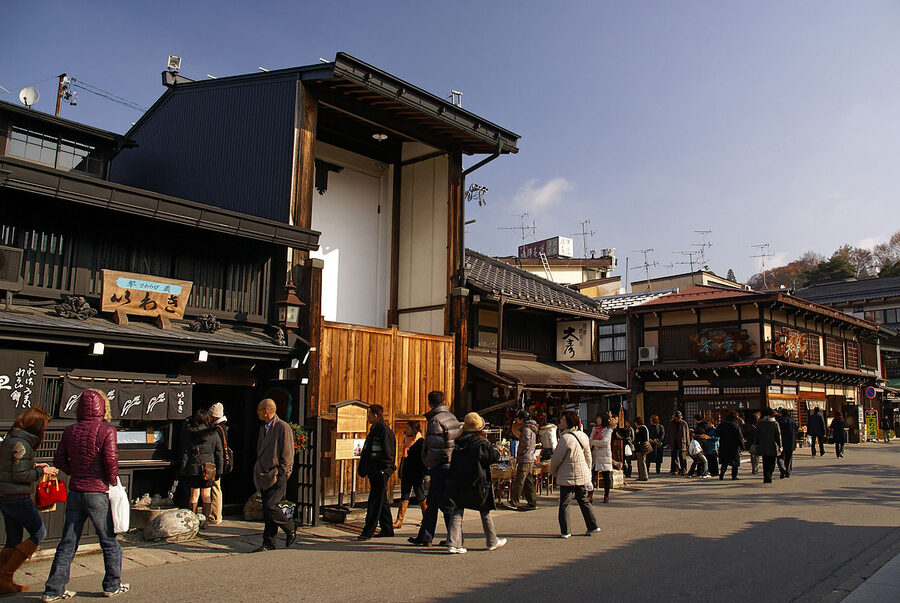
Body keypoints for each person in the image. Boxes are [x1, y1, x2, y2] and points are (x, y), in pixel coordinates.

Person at [43, 389, 129, 600]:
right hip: (98, 492)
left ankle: (54, 589)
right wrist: (110, 479)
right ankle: (112, 585)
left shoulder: (70, 430)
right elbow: (111, 462)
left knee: (67, 542)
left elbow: (59, 460)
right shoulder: (107, 430)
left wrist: (75, 472)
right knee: (109, 541)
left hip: (76, 491)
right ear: (103, 407)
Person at [0, 408, 58, 594]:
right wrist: (42, 471)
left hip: (6, 497)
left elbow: (11, 467)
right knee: (39, 532)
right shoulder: (22, 444)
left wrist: (34, 465)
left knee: (14, 539)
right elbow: (20, 474)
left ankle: (4, 580)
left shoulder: (10, 440)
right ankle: (5, 574)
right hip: (18, 498)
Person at [445, 412, 507, 553]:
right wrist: (498, 450)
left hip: (459, 480)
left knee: (457, 511)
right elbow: (494, 456)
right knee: (484, 510)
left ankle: (453, 542)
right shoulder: (481, 443)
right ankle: (491, 540)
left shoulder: (459, 442)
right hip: (478, 481)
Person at [409, 391, 461, 547]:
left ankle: (448, 537)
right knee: (440, 502)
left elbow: (435, 448)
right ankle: (431, 536)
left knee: (440, 504)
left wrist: (428, 463)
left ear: (430, 403)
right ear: (444, 401)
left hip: (441, 465)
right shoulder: (453, 418)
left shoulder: (435, 421)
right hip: (452, 464)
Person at [252, 398, 296, 552]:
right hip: (264, 474)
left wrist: (284, 472)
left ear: (266, 411)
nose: (257, 412)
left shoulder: (282, 427)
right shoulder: (263, 427)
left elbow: (288, 453)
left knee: (272, 506)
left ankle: (289, 527)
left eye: (259, 409)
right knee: (266, 509)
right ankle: (269, 541)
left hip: (276, 474)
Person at [550, 411, 600, 539]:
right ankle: (593, 525)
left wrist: (552, 471)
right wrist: (588, 472)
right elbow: (588, 456)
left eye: (562, 420)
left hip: (568, 475)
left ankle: (566, 531)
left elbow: (557, 458)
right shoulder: (583, 435)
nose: (561, 423)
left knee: (565, 503)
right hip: (581, 474)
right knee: (583, 500)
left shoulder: (565, 438)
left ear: (568, 422)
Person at [357, 404, 396, 541]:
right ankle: (387, 529)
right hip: (374, 469)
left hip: (380, 470)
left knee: (375, 501)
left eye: (369, 414)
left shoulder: (383, 430)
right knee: (382, 500)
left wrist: (384, 469)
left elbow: (389, 453)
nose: (367, 417)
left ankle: (368, 531)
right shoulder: (375, 429)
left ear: (375, 415)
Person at [179, 409, 223, 528]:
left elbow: (185, 453)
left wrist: (183, 469)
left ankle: (193, 521)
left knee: (194, 495)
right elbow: (219, 452)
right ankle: (204, 522)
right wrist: (219, 470)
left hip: (193, 467)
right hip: (208, 469)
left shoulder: (190, 433)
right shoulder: (214, 433)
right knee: (207, 495)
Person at [393, 421, 426, 529]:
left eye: (408, 428)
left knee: (420, 495)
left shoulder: (420, 441)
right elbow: (404, 456)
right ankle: (399, 520)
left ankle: (426, 518)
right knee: (404, 494)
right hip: (407, 469)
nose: (406, 430)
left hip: (416, 470)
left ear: (414, 429)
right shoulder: (406, 439)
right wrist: (400, 469)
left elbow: (422, 458)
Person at [508, 411, 538, 510]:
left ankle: (514, 501)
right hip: (529, 458)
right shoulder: (531, 428)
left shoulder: (526, 429)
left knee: (519, 481)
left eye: (518, 418)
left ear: (522, 419)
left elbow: (525, 444)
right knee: (528, 481)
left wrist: (520, 453)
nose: (516, 420)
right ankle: (532, 502)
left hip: (525, 458)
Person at [207, 402, 228, 525]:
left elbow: (218, 449)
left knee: (215, 488)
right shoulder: (222, 427)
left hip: (215, 462)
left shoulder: (218, 429)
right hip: (218, 462)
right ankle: (214, 514)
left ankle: (215, 515)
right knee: (215, 488)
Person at [589, 413, 614, 503]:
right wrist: (595, 442)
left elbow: (604, 442)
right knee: (592, 476)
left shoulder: (608, 430)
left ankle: (606, 495)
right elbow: (590, 440)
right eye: (597, 418)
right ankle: (590, 494)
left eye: (599, 418)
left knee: (606, 476)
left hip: (604, 455)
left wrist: (594, 442)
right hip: (595, 455)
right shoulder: (594, 429)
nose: (598, 420)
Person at [755, 407, 782, 484]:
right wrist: (780, 445)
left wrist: (756, 444)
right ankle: (769, 474)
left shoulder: (760, 423)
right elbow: (778, 435)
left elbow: (757, 435)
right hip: (772, 445)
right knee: (772, 462)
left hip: (763, 445)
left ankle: (766, 476)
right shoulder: (774, 423)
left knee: (765, 462)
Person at [716, 410, 744, 480]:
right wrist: (742, 446)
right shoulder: (736, 425)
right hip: (734, 446)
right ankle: (734, 476)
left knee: (725, 462)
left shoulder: (722, 424)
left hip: (724, 445)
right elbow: (739, 436)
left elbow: (717, 433)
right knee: (735, 462)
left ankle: (722, 474)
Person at [775, 408, 798, 478]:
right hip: (790, 442)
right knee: (788, 457)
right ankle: (787, 472)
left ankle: (782, 468)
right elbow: (796, 430)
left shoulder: (779, 422)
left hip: (781, 442)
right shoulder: (792, 422)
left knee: (779, 457)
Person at [668, 411, 690, 475]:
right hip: (673, 441)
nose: (678, 419)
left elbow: (687, 433)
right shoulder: (671, 423)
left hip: (682, 441)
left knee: (682, 457)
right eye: (677, 417)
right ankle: (675, 469)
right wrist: (668, 441)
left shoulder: (684, 423)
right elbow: (669, 433)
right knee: (674, 456)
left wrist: (687, 443)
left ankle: (683, 470)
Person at [633, 416, 650, 481]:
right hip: (642, 447)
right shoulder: (644, 428)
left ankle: (644, 476)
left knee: (641, 462)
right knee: (641, 461)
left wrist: (637, 433)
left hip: (641, 447)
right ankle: (642, 475)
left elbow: (640, 438)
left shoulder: (641, 428)